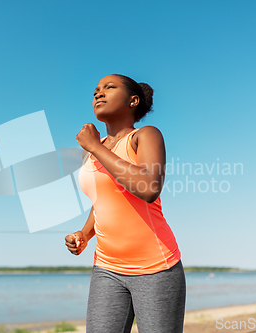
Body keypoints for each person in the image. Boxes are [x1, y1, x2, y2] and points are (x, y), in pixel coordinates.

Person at [64, 74, 186, 333]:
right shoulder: (93, 150)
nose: (98, 93)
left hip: (156, 268)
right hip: (106, 268)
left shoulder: (144, 136)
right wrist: (84, 234)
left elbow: (149, 188)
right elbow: (103, 201)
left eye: (109, 87)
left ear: (133, 100)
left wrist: (96, 147)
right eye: (96, 90)